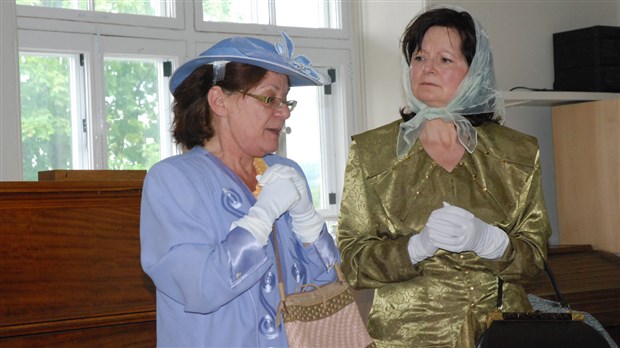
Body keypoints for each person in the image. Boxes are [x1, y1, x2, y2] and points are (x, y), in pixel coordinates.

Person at [337, 5, 552, 347]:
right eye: (420, 58)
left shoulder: (519, 153)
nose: (427, 69)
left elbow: (534, 258)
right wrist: (414, 249)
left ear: (475, 72)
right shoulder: (371, 152)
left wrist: (492, 242)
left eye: (445, 60)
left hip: (503, 334)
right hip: (407, 337)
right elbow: (352, 261)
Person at [140, 32, 340, 347]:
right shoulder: (172, 180)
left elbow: (326, 281)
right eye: (270, 98)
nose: (284, 111)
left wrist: (307, 221)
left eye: (286, 100)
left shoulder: (285, 173)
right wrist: (261, 216)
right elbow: (201, 287)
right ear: (220, 101)